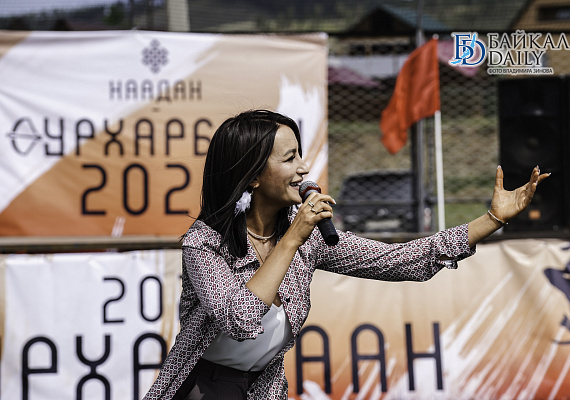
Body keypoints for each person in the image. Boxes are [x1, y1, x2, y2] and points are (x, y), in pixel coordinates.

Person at [143, 109, 549, 400]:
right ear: (252, 176)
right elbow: (241, 320)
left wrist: (492, 219)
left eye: (301, 154)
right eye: (289, 159)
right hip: (198, 387)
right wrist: (291, 240)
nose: (304, 169)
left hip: (262, 388)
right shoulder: (205, 243)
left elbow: (397, 260)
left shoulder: (309, 237)